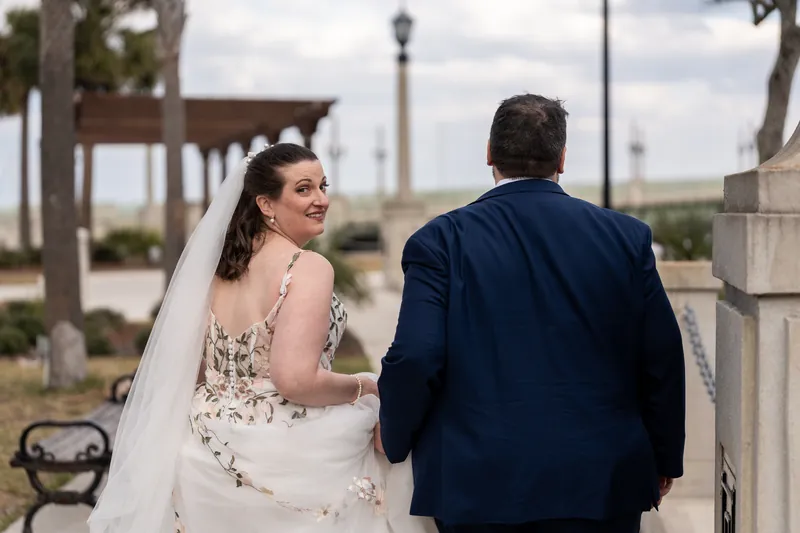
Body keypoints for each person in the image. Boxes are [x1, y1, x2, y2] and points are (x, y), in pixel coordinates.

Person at [377, 94, 686, 533]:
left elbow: (417, 353)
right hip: (602, 478)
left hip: (477, 482)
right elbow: (662, 358)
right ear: (562, 158)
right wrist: (663, 454)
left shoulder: (439, 241)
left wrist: (395, 436)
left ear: (489, 153)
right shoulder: (626, 238)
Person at [88, 143, 436, 533]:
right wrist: (366, 386)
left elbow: (197, 366)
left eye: (323, 186)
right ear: (266, 205)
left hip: (203, 441)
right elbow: (295, 380)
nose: (321, 199)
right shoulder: (306, 267)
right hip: (286, 444)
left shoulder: (215, 270)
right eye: (303, 189)